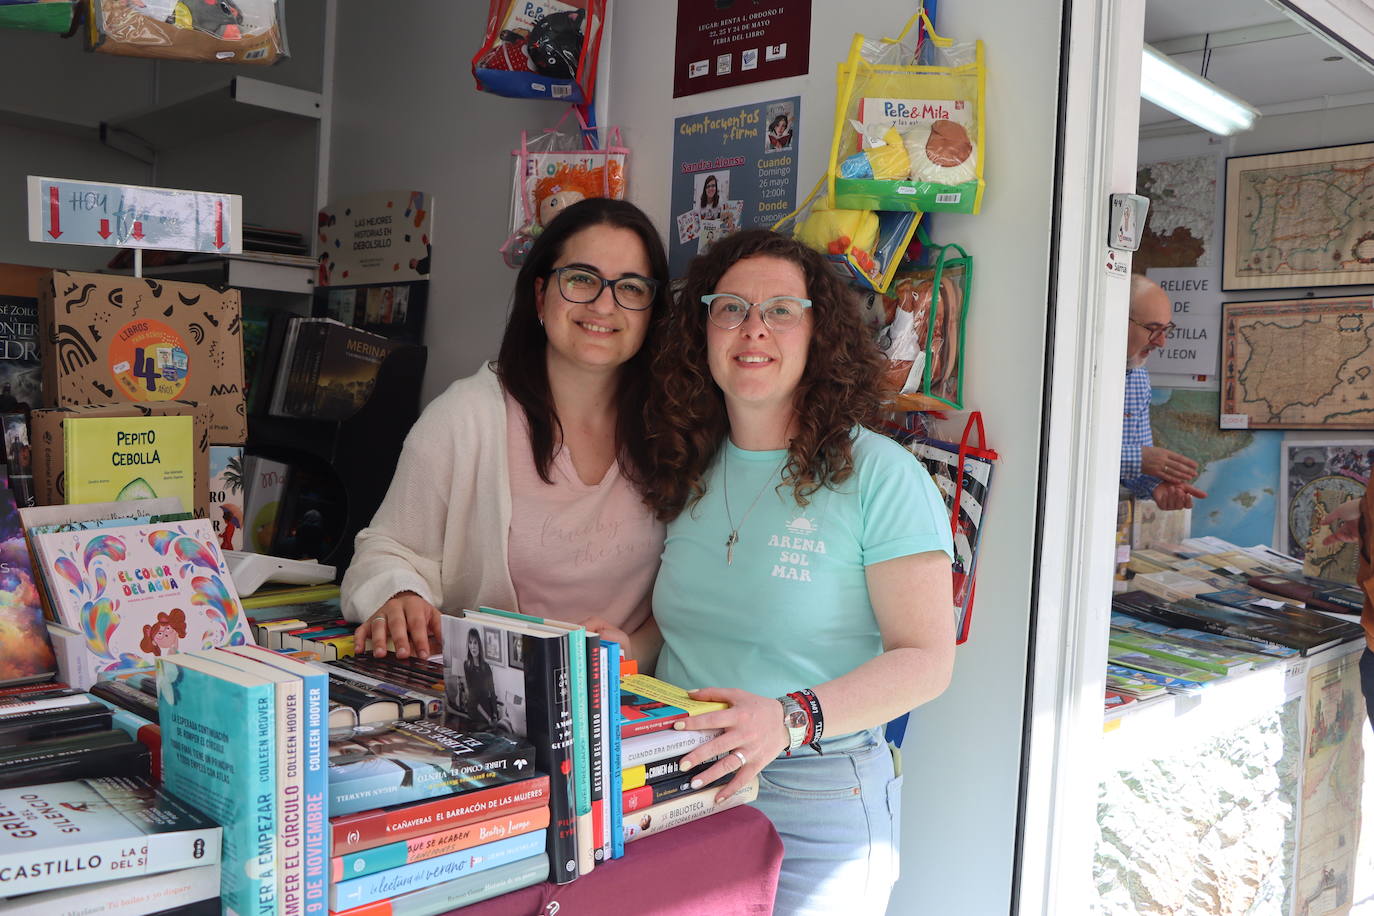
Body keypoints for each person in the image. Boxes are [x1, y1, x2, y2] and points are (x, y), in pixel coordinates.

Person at [624, 229, 956, 914]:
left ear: (818, 334)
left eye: (781, 310)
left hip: (814, 795)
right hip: (679, 784)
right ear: (702, 332)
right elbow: (700, 614)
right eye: (730, 308)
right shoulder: (689, 461)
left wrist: (788, 719)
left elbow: (926, 660)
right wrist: (623, 650)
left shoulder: (882, 476)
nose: (753, 329)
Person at [341, 198, 673, 660]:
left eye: (631, 287)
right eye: (581, 279)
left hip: (631, 701)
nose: (603, 303)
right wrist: (399, 595)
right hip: (493, 697)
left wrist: (632, 653)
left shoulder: (676, 426)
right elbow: (384, 549)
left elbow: (694, 591)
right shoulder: (466, 415)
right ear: (540, 295)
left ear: (652, 311)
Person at [1121, 274, 1208, 510]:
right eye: (1152, 329)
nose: (1161, 342)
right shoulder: (1068, 372)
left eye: (1166, 330)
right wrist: (1139, 459)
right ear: (1116, 319)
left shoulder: (1138, 377)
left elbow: (1139, 464)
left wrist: (1157, 486)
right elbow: (1056, 452)